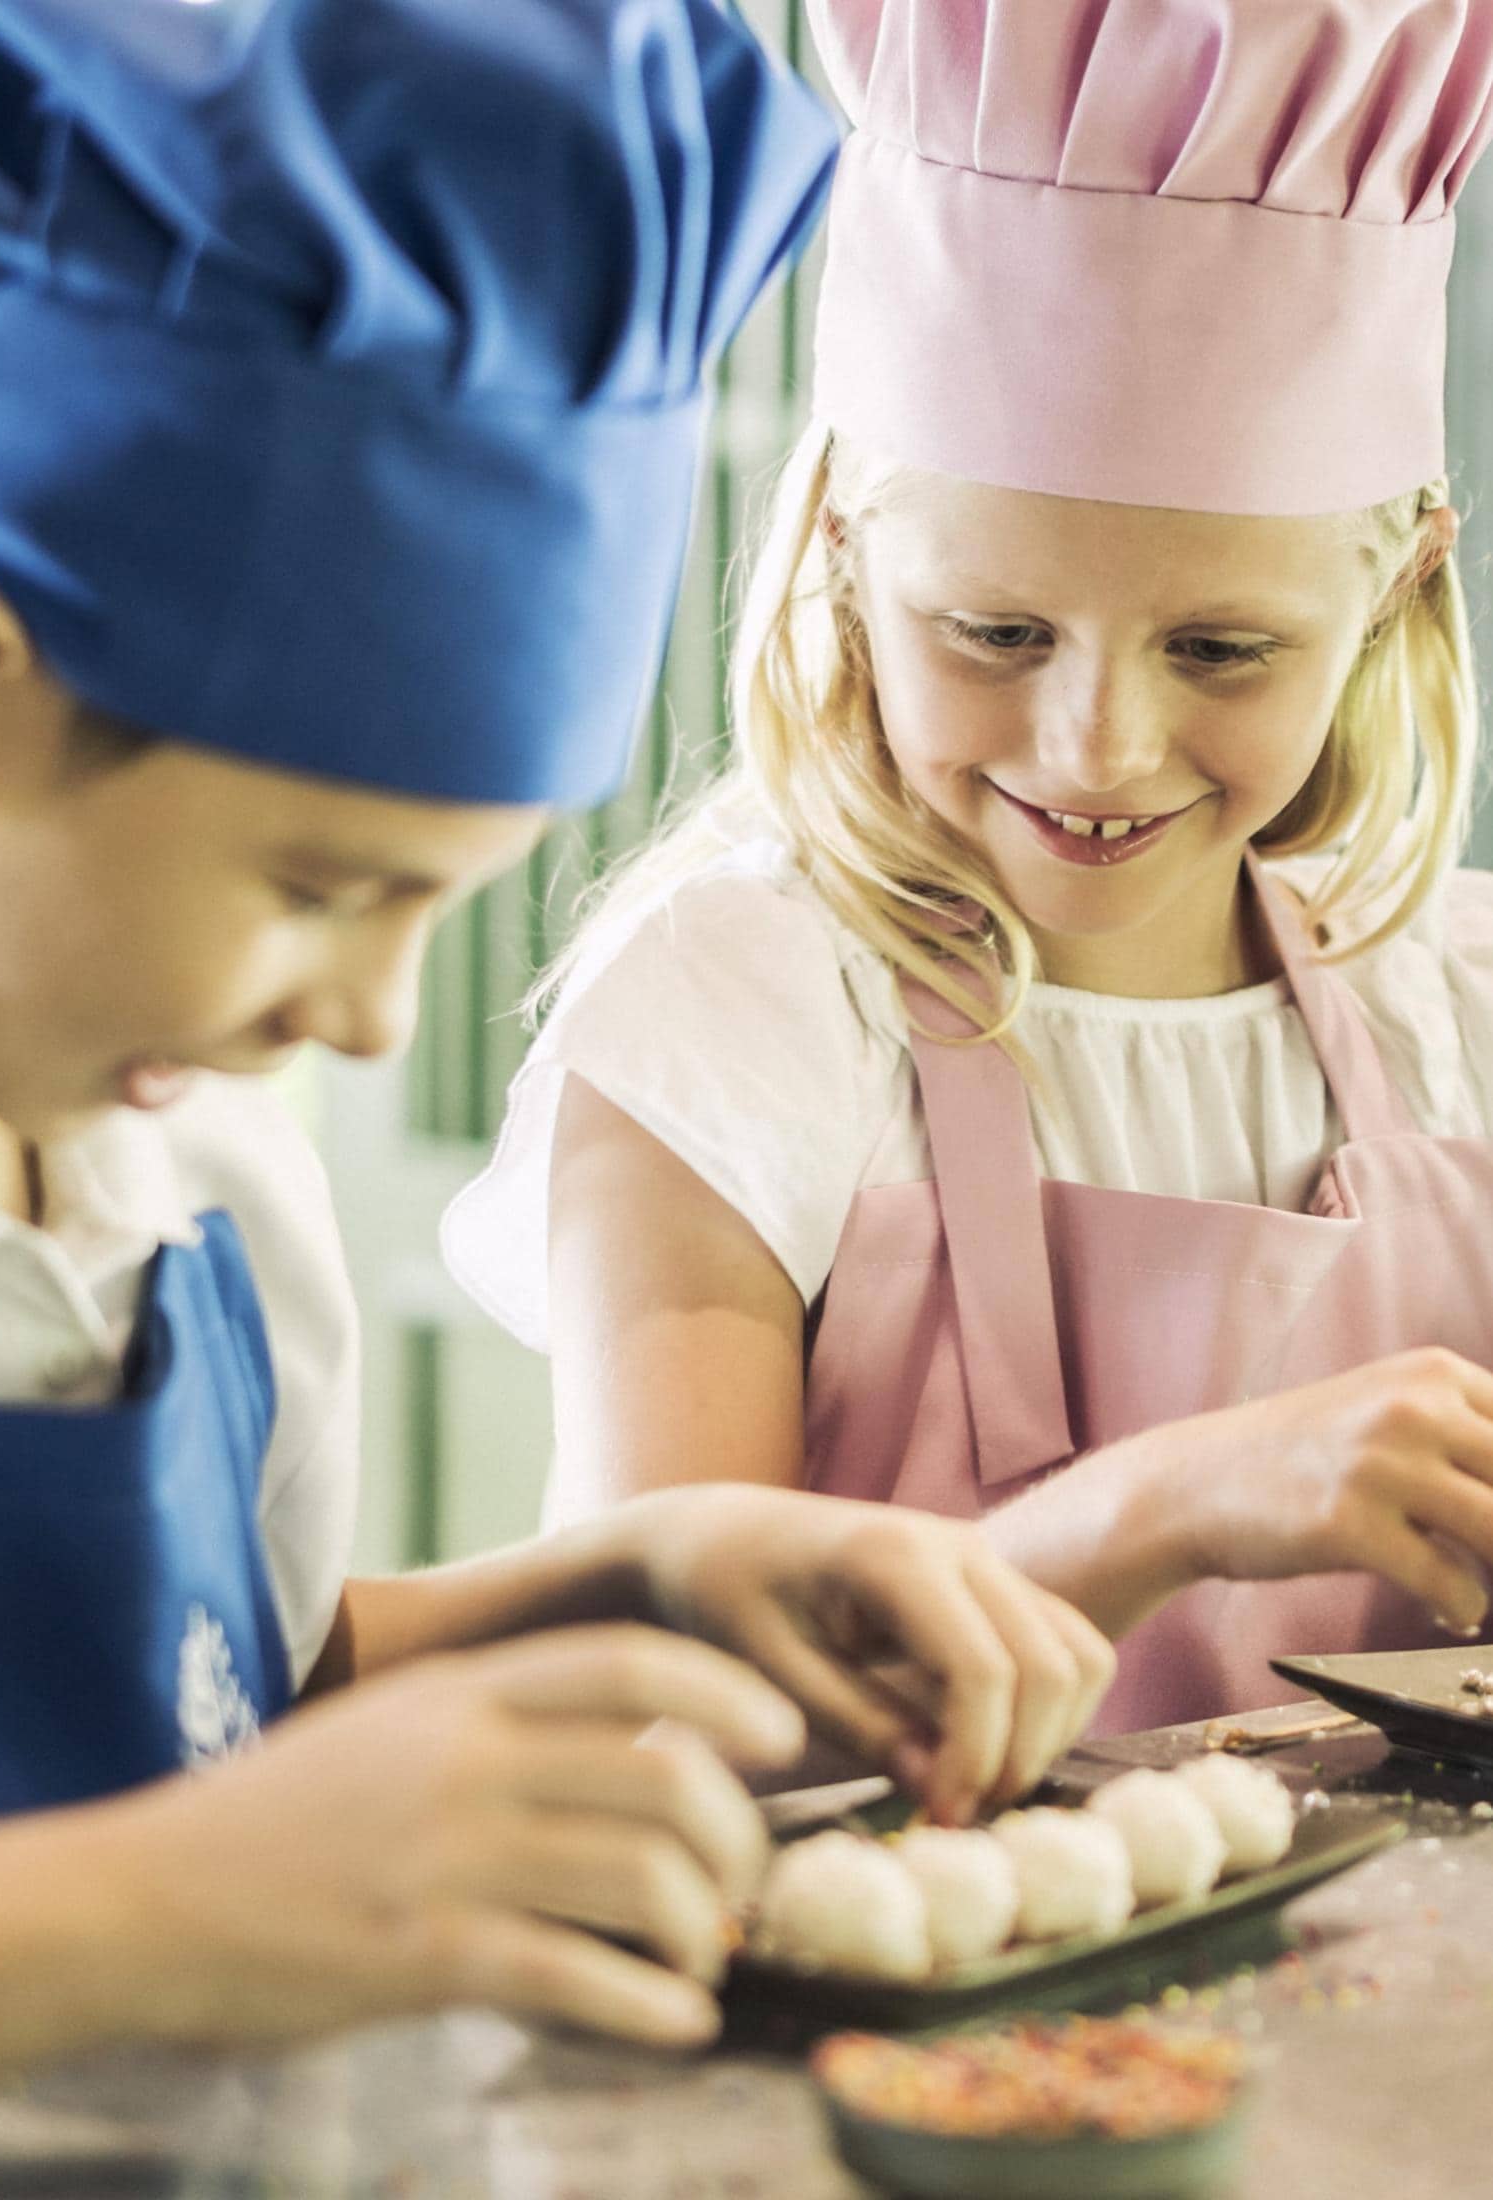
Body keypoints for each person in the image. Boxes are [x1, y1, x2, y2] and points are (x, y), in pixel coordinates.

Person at [0, 0, 1118, 2115]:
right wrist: (161, 1907)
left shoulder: (187, 1165)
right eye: (324, 885)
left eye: (449, 901)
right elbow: (187, 1845)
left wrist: (642, 1580)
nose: (368, 1017)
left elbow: (224, 1688)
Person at [445, 0, 1493, 1732]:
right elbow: (637, 1699)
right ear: (846, 552)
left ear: (1393, 591)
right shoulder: (741, 1019)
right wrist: (1167, 1506)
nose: (1093, 749)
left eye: (1222, 653)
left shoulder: (1455, 999)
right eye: (994, 630)